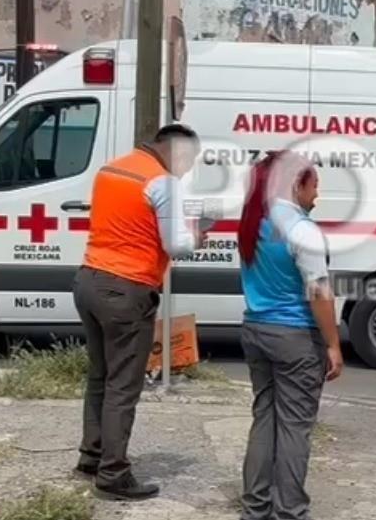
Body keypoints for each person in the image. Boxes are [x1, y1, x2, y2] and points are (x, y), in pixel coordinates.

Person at [73, 124, 206, 500]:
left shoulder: (112, 169)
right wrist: (197, 236)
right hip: (127, 288)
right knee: (123, 385)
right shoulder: (162, 182)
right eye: (189, 160)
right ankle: (113, 474)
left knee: (100, 377)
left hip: (89, 279)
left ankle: (92, 456)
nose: (188, 169)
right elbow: (175, 245)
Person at [237, 150, 343, 520]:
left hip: (255, 328)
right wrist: (333, 344)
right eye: (315, 185)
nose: (317, 195)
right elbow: (318, 292)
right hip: (295, 336)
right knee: (296, 427)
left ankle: (255, 508)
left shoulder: (255, 221)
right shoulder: (301, 229)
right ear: (297, 184)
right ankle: (291, 512)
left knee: (264, 418)